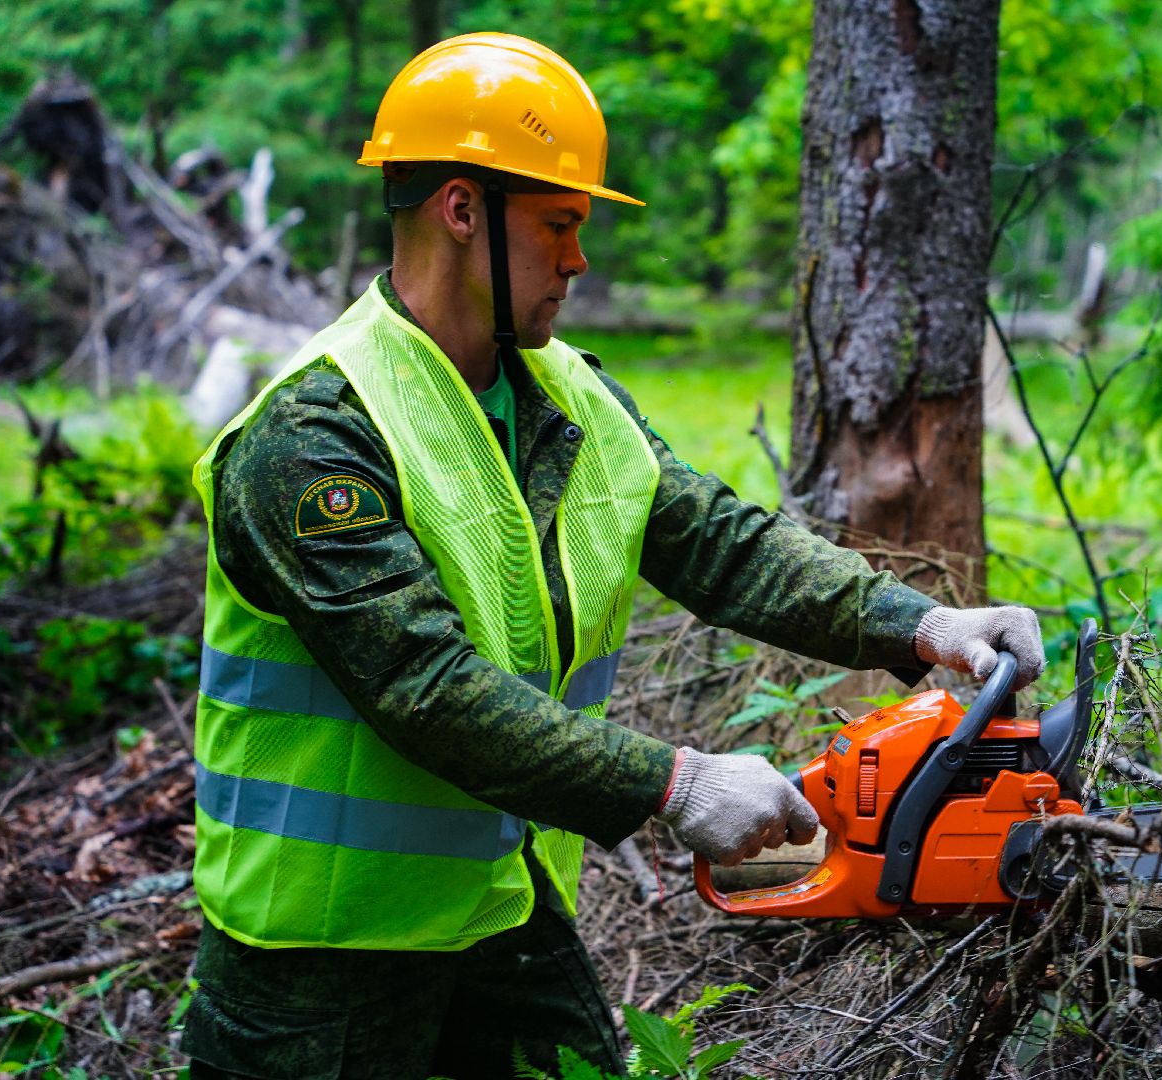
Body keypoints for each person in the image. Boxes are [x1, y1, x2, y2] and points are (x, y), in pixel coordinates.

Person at [181, 32, 1045, 1079]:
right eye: (558, 224)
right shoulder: (311, 438)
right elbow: (423, 686)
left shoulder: (566, 397)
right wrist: (673, 785)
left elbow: (719, 544)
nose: (579, 259)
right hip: (315, 966)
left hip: (498, 909)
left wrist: (919, 625)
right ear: (462, 210)